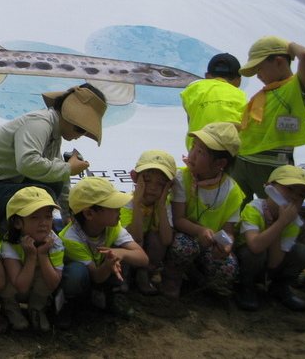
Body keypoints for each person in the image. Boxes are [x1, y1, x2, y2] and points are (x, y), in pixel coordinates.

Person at [0, 84, 107, 234]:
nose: (81, 135)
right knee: (42, 194)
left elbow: (61, 179)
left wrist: (69, 217)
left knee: (53, 184)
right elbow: (27, 163)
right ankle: (11, 237)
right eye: (81, 128)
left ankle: (17, 234)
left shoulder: (53, 133)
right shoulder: (40, 123)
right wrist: (68, 168)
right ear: (69, 116)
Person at [162, 122, 244, 298]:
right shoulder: (182, 178)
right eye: (193, 147)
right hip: (186, 237)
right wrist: (200, 230)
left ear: (220, 163)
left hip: (210, 244)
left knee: (228, 268)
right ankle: (172, 276)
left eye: (200, 152)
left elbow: (229, 231)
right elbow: (179, 219)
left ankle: (198, 276)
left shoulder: (232, 190)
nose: (192, 155)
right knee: (183, 248)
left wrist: (227, 246)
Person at [233, 36, 305, 202]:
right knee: (236, 208)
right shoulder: (264, 94)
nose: (258, 76)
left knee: (278, 209)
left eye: (260, 69)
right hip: (242, 160)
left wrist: (289, 46)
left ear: (279, 62)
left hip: (273, 165)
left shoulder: (294, 89)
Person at [59, 177, 147, 321]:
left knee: (122, 252)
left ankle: (110, 297)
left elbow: (143, 258)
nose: (119, 210)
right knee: (76, 272)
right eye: (112, 206)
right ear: (89, 214)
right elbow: (96, 277)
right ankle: (71, 304)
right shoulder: (70, 239)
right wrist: (109, 263)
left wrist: (122, 253)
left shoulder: (113, 227)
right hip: (88, 278)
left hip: (101, 273)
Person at [235, 165, 305, 312]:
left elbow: (274, 263)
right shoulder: (254, 208)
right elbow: (255, 246)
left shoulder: (292, 222)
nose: (294, 197)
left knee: (302, 254)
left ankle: (279, 287)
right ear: (270, 188)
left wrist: (281, 224)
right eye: (289, 189)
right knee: (255, 253)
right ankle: (246, 287)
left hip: (268, 265)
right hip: (247, 262)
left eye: (301, 195)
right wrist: (281, 223)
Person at [0, 187, 64, 333]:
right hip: (19, 286)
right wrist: (31, 257)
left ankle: (37, 308)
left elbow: (53, 283)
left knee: (45, 273)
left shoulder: (55, 242)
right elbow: (21, 285)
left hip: (35, 286)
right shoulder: (9, 243)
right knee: (5, 276)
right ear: (17, 223)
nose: (44, 223)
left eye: (48, 217)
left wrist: (42, 255)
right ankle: (10, 308)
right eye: (34, 217)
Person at [121, 150, 175, 295]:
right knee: (132, 241)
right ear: (134, 177)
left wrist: (162, 206)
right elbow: (135, 237)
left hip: (147, 253)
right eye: (147, 180)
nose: (152, 187)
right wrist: (137, 203)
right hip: (129, 248)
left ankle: (144, 274)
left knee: (156, 239)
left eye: (161, 184)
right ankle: (123, 277)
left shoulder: (164, 204)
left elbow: (167, 239)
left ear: (169, 186)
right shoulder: (128, 202)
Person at [180, 52, 247, 151]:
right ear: (239, 80)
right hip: (229, 154)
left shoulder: (193, 89)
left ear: (207, 76)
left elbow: (192, 119)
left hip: (197, 153)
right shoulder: (241, 96)